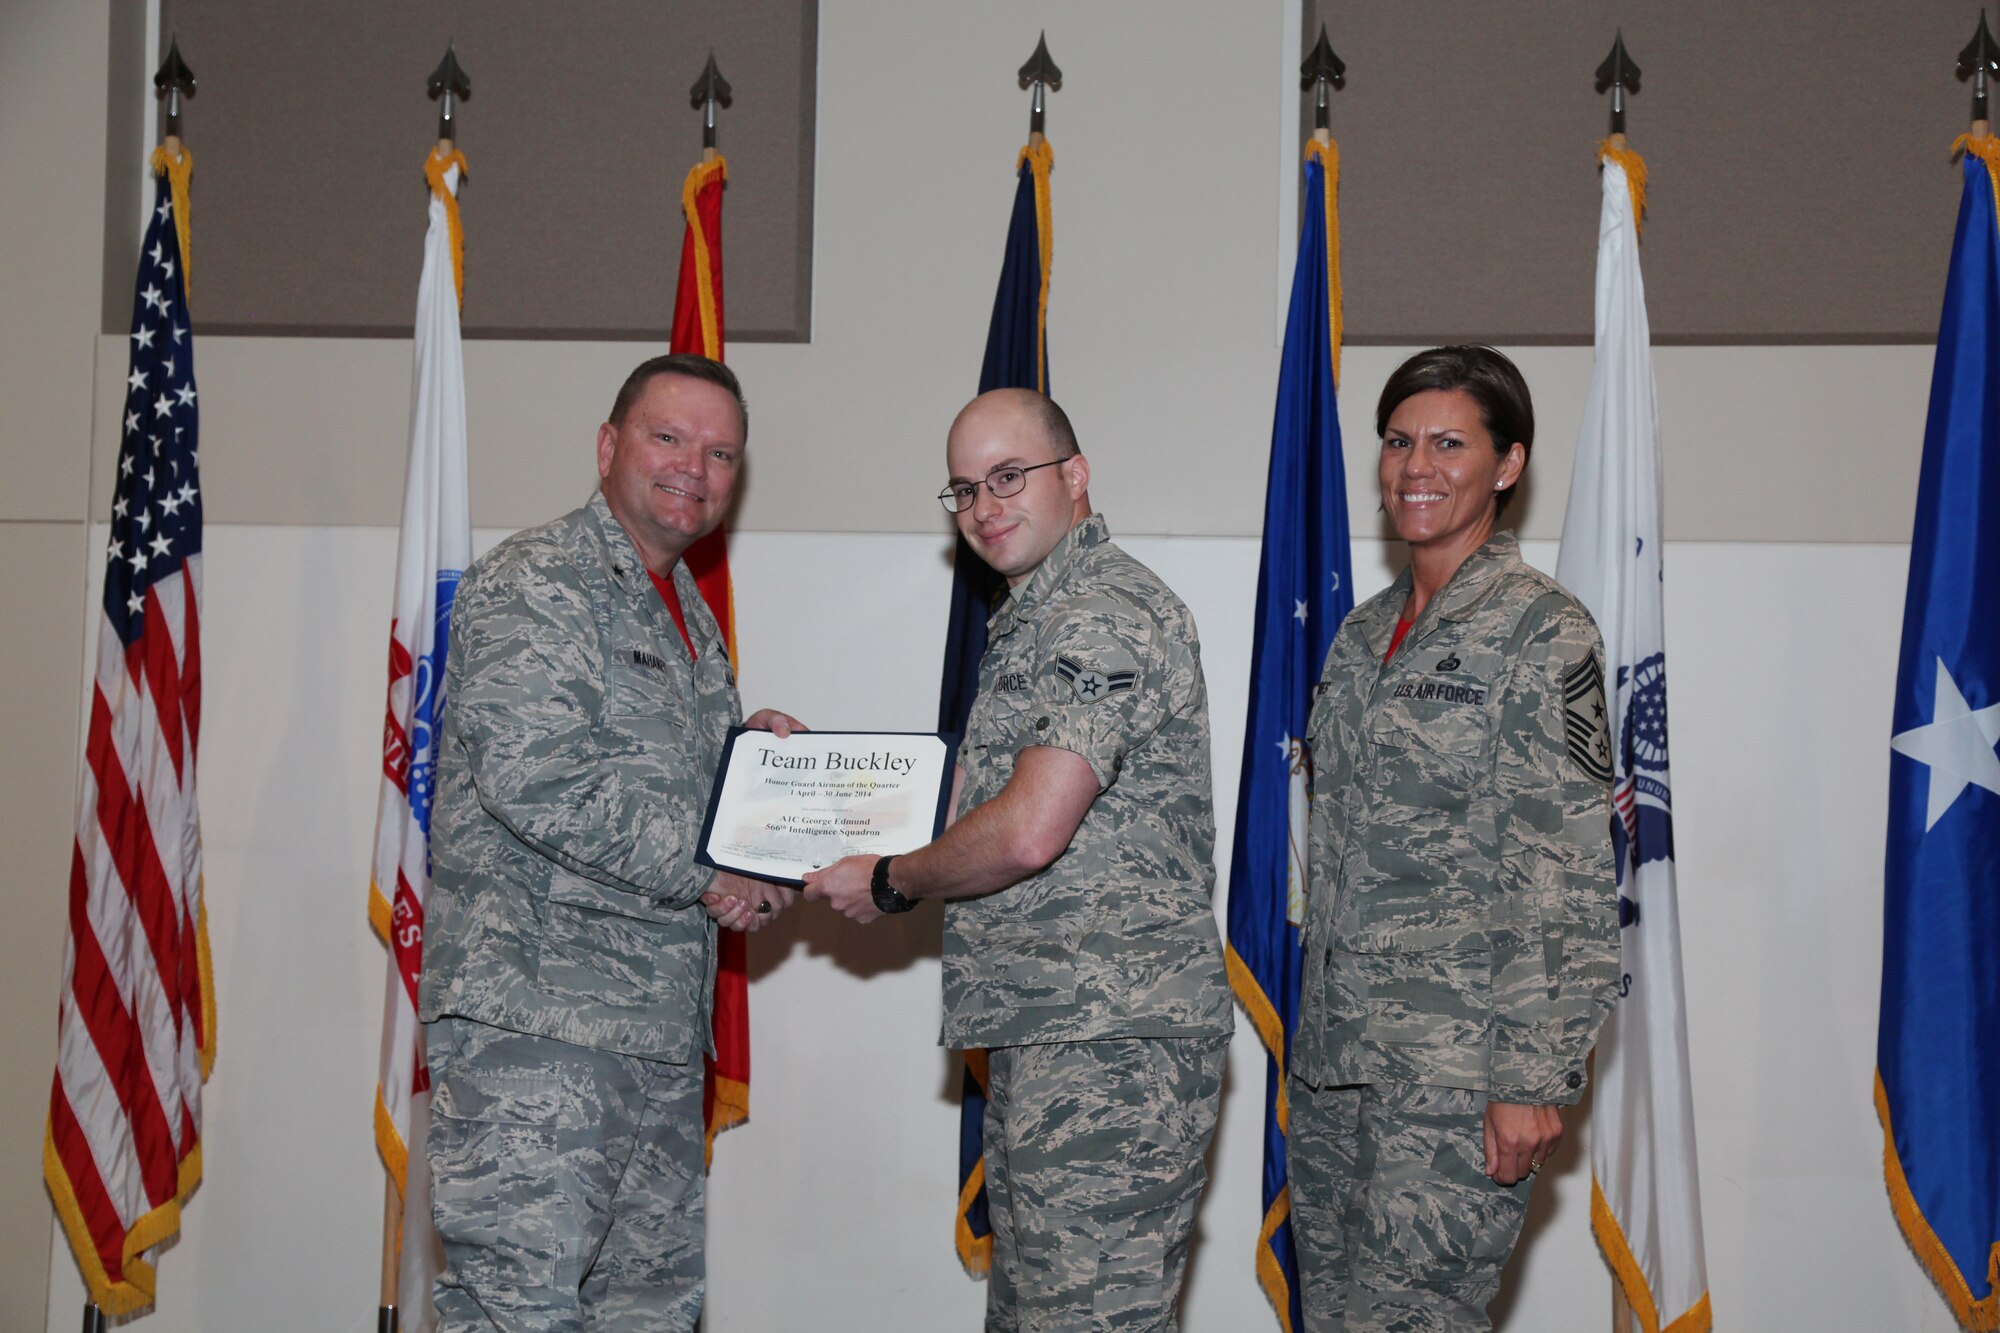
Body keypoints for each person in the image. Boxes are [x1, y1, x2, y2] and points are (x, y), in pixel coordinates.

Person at [803, 388, 1233, 1331]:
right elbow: (974, 807)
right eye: (963, 488)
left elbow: (1031, 828)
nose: (985, 505)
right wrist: (808, 778)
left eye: (1009, 476)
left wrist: (891, 879)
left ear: (1074, 478)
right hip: (1065, 1036)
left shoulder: (1098, 612)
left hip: (1109, 1049)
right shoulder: (1037, 617)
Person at [417, 353, 798, 1331]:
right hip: (537, 1033)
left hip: (657, 1041)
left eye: (719, 453)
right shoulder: (539, 579)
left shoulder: (689, 619)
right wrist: (724, 859)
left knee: (647, 1313)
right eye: (666, 437)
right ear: (606, 446)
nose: (692, 468)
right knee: (518, 1312)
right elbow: (535, 777)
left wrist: (763, 778)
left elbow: (658, 785)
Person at [1288, 345, 1620, 1331]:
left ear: (1506, 466)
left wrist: (1527, 1081)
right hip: (1336, 1064)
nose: (1413, 467)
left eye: (1446, 443)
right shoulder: (1360, 634)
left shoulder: (1539, 632)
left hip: (1453, 1075)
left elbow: (1559, 873)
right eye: (1396, 442)